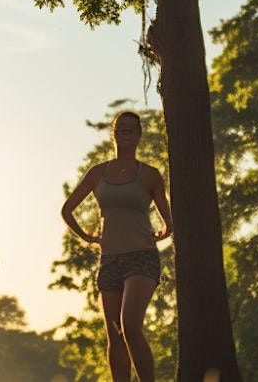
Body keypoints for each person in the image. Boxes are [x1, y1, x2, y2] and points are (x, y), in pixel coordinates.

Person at [60, 111, 173, 382]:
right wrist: (87, 237)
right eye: (119, 127)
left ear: (138, 135)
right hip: (109, 259)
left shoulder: (149, 175)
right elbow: (67, 210)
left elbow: (169, 221)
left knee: (130, 325)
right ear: (113, 133)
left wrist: (163, 231)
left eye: (130, 128)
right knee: (114, 334)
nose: (124, 131)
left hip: (141, 258)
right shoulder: (98, 173)